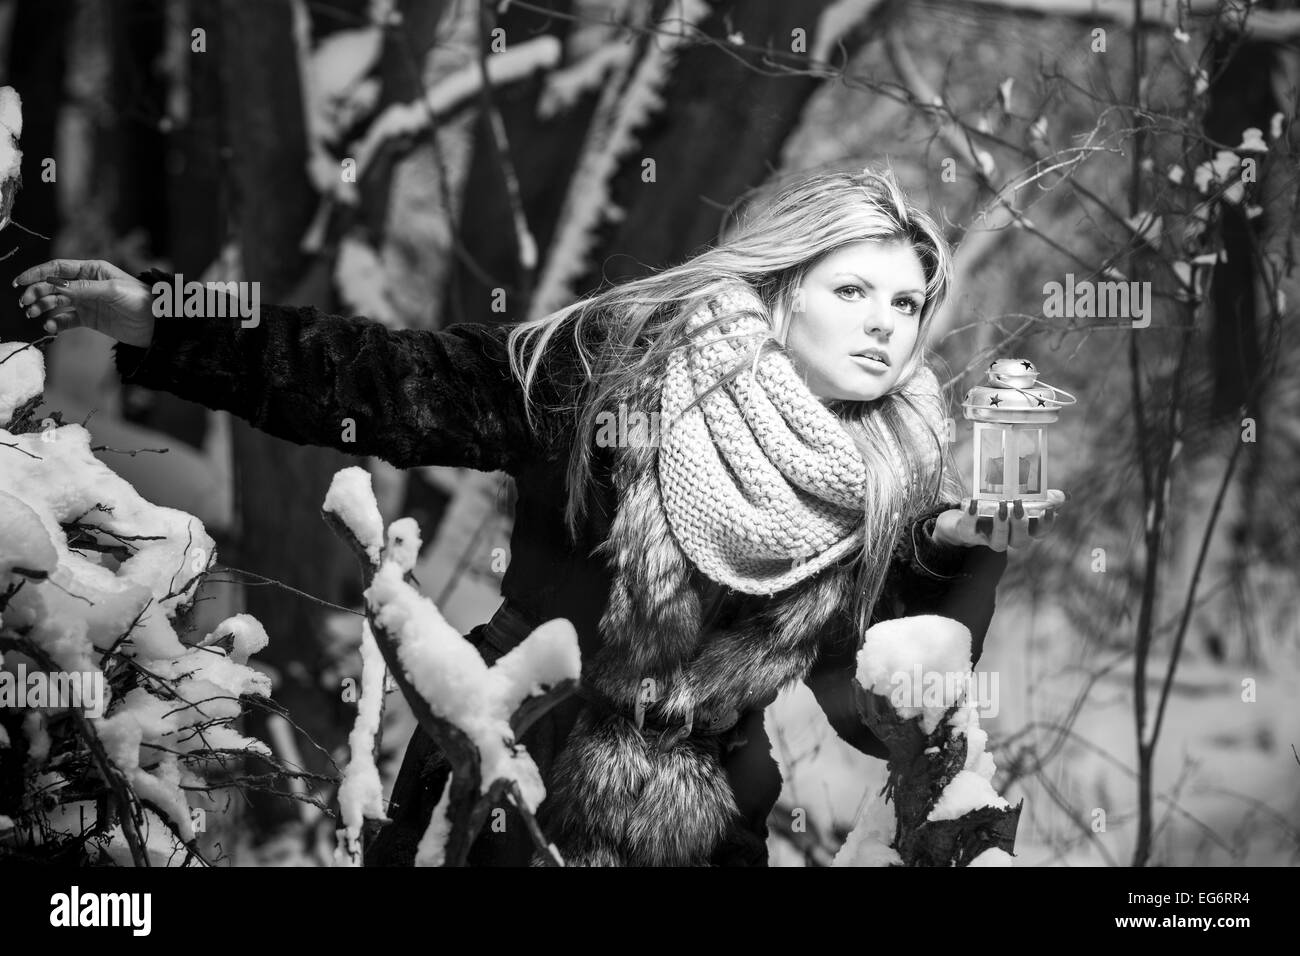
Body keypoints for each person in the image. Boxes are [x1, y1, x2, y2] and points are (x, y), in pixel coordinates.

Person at [15, 167, 1064, 866]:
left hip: (708, 833)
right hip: (504, 783)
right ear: (782, 284)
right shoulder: (620, 377)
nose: (884, 325)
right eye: (853, 291)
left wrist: (957, 564)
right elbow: (383, 380)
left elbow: (864, 704)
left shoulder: (886, 476)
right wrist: (165, 316)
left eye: (904, 303)